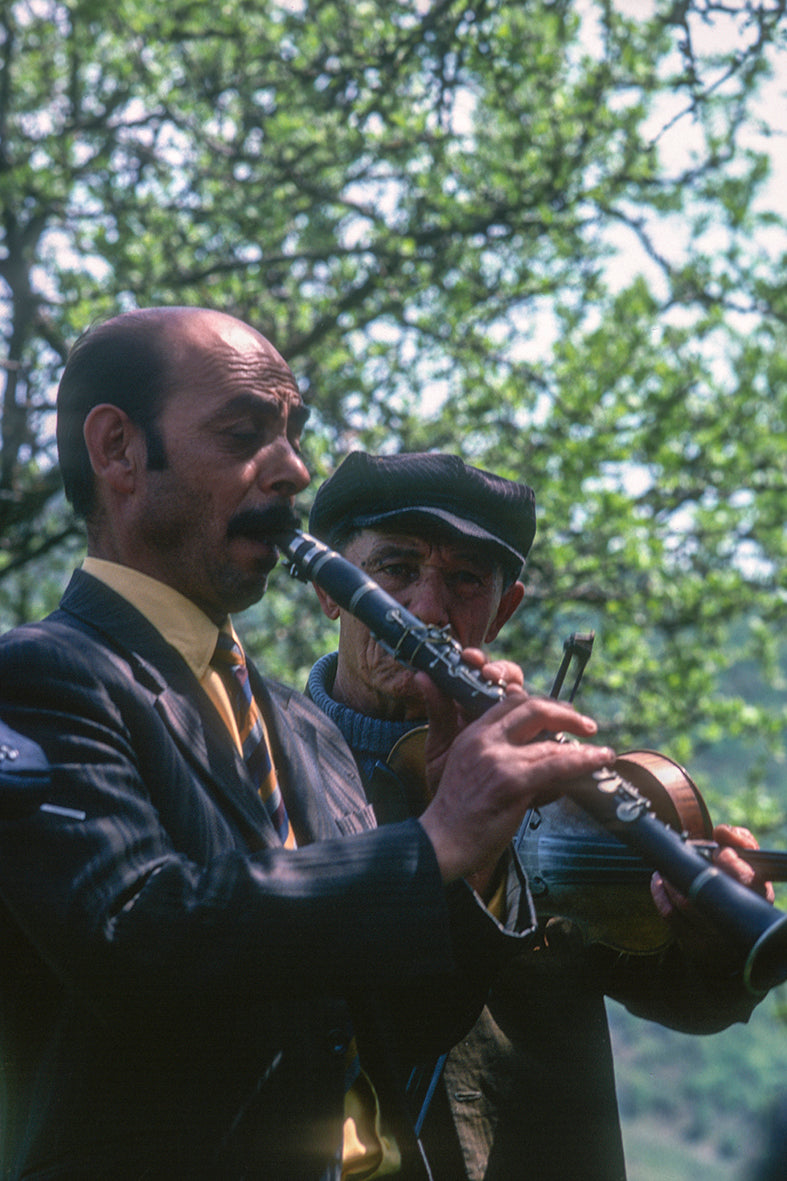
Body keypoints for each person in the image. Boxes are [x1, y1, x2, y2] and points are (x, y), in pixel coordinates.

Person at [0, 307, 620, 1181]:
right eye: (246, 431)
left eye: (292, 433)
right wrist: (431, 842)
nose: (292, 467)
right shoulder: (41, 675)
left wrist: (472, 852)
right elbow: (132, 930)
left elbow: (394, 1021)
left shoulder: (301, 728)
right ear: (118, 450)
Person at [306, 449, 775, 1181]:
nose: (427, 607)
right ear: (330, 589)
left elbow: (682, 993)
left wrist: (712, 936)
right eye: (395, 570)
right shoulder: (260, 761)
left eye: (465, 579)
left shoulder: (548, 783)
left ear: (504, 606)